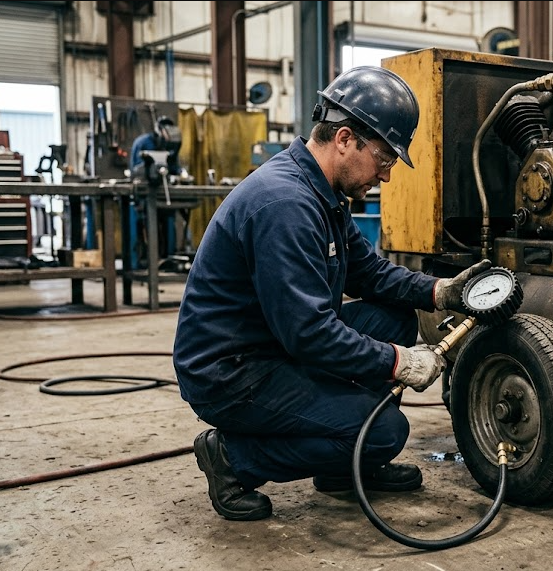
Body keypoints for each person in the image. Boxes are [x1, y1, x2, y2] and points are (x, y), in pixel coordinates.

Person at [172, 65, 491, 521]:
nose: (385, 176)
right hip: (233, 371)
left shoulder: (323, 196)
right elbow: (310, 333)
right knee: (384, 431)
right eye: (383, 159)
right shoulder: (285, 205)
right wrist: (399, 362)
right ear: (344, 139)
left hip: (271, 342)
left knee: (394, 316)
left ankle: (347, 466)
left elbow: (371, 274)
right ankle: (232, 458)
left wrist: (442, 291)